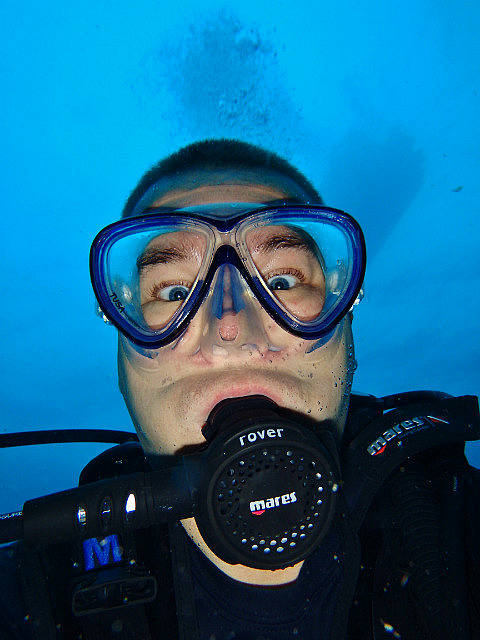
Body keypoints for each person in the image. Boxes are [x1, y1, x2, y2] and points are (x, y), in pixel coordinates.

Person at [1, 139, 480, 640]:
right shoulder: (35, 590)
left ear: (347, 331)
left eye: (283, 282)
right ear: (122, 363)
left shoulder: (452, 521)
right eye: (175, 292)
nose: (230, 329)